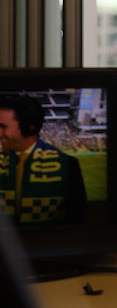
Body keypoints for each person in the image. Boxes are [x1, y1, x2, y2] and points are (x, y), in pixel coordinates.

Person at [0, 94, 88, 225]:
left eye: (3, 126)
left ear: (29, 127)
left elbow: (77, 219)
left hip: (49, 242)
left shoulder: (68, 164)